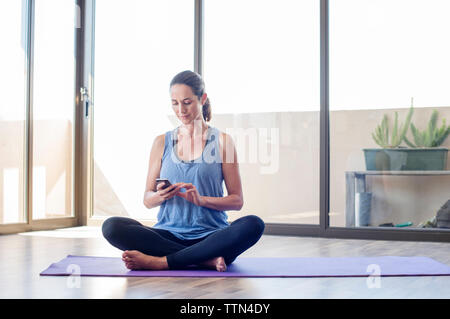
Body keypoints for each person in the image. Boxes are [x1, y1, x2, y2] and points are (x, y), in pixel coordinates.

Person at [102, 70, 265, 272]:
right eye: (175, 103)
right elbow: (147, 199)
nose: (181, 110)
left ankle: (161, 261)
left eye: (187, 102)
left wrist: (201, 200)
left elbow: (236, 201)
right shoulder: (161, 142)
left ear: (202, 99)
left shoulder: (223, 142)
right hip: (168, 234)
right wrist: (160, 196)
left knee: (254, 224)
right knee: (111, 227)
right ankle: (203, 260)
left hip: (211, 236)